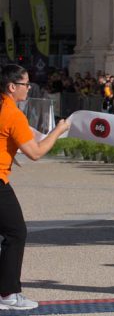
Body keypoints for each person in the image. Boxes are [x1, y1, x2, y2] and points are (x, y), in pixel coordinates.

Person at [0, 64, 70, 310]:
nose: (28, 88)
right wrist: (58, 130)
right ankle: (7, 295)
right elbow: (36, 152)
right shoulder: (12, 113)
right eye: (25, 84)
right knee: (16, 232)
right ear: (12, 87)